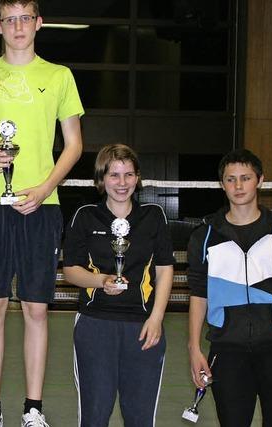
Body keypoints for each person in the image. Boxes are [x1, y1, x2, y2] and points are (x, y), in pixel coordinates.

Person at [0, 1, 84, 425]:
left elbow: (74, 145)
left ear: (38, 23)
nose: (17, 26)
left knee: (36, 309)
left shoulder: (59, 76)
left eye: (25, 18)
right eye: (9, 19)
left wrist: (46, 187)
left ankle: (33, 410)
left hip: (40, 205)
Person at [187, 148, 272, 427]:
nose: (238, 186)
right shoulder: (204, 237)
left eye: (245, 178)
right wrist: (194, 348)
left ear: (260, 180)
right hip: (227, 351)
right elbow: (199, 294)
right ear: (222, 184)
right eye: (230, 179)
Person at [63, 144, 174, 427]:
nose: (121, 183)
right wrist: (100, 281)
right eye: (114, 175)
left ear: (138, 178)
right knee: (95, 416)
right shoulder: (85, 216)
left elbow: (164, 270)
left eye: (128, 175)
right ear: (101, 179)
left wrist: (157, 318)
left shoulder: (154, 216)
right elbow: (71, 271)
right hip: (95, 326)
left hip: (143, 328)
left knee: (140, 418)